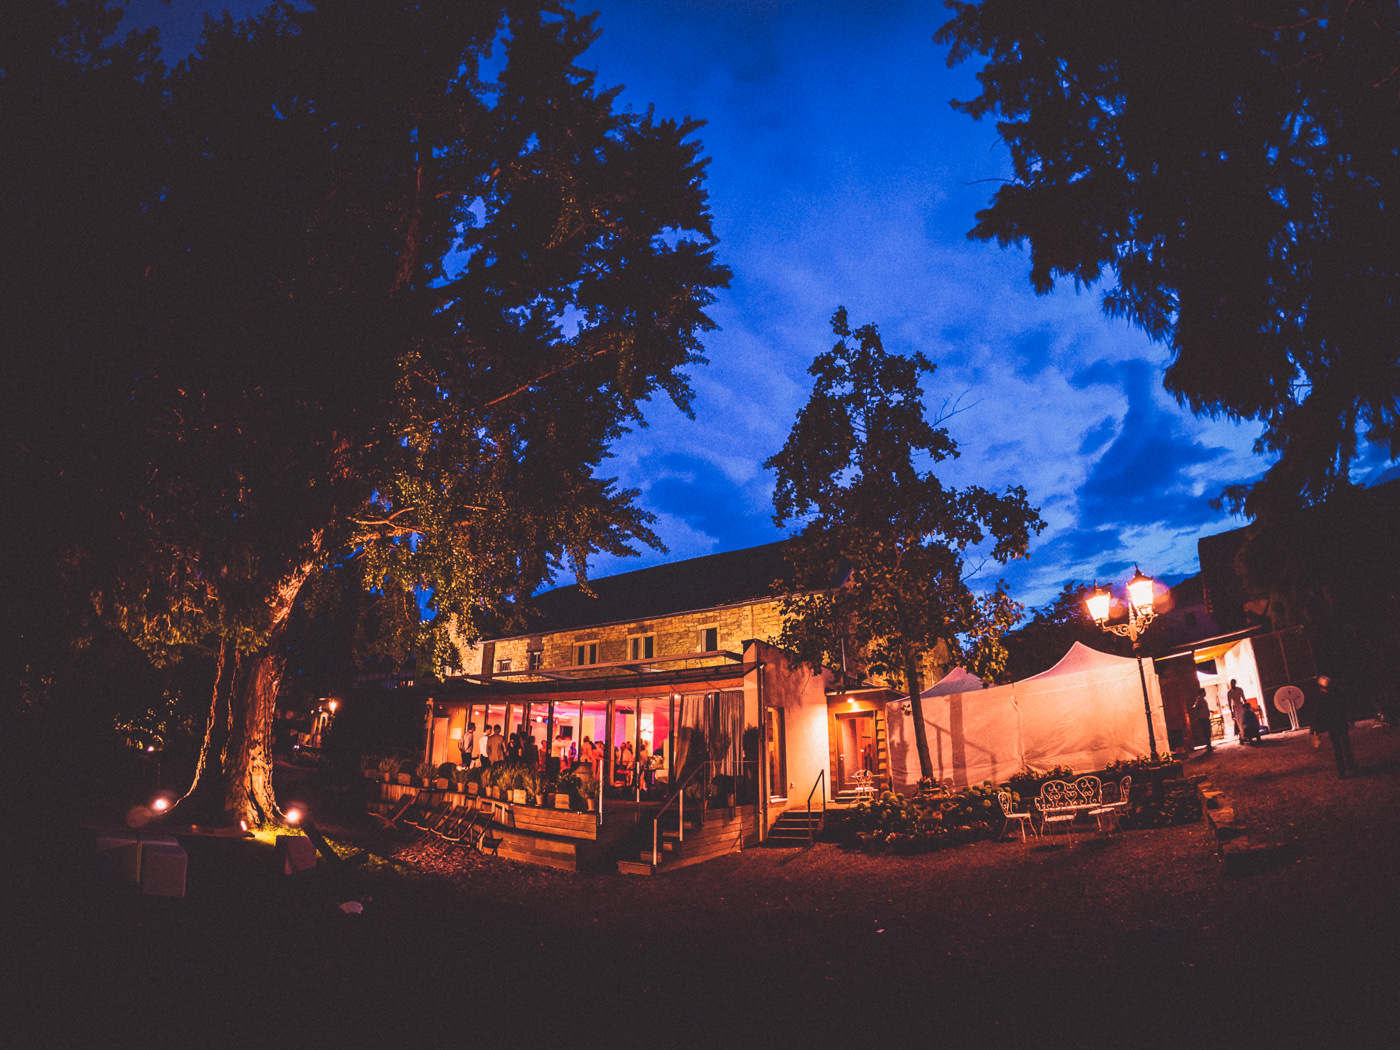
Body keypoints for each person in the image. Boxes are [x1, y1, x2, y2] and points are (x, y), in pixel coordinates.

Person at [1313, 675, 1358, 778]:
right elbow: (1345, 707)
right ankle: (1352, 766)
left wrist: (1315, 727)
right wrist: (1350, 719)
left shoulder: (1322, 697)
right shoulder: (1338, 694)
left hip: (1332, 725)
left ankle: (1342, 771)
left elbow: (1318, 713)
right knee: (1346, 745)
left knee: (1337, 747)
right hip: (1342, 723)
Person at [1227, 680, 1251, 744]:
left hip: (1241, 706)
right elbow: (1229, 703)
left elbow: (1244, 698)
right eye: (1231, 683)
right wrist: (1231, 712)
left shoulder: (1239, 689)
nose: (1233, 684)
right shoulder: (1229, 692)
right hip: (1235, 707)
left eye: (1233, 683)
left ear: (1235, 683)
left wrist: (1247, 708)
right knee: (1239, 723)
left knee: (1244, 721)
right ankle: (1242, 737)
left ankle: (1246, 736)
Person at [1189, 689, 1213, 753]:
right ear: (1202, 693)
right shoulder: (1199, 700)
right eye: (1204, 692)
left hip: (1205, 717)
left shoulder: (1202, 700)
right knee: (1206, 731)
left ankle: (1209, 745)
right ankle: (1208, 745)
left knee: (1208, 731)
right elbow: (1195, 707)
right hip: (1203, 718)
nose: (1205, 693)